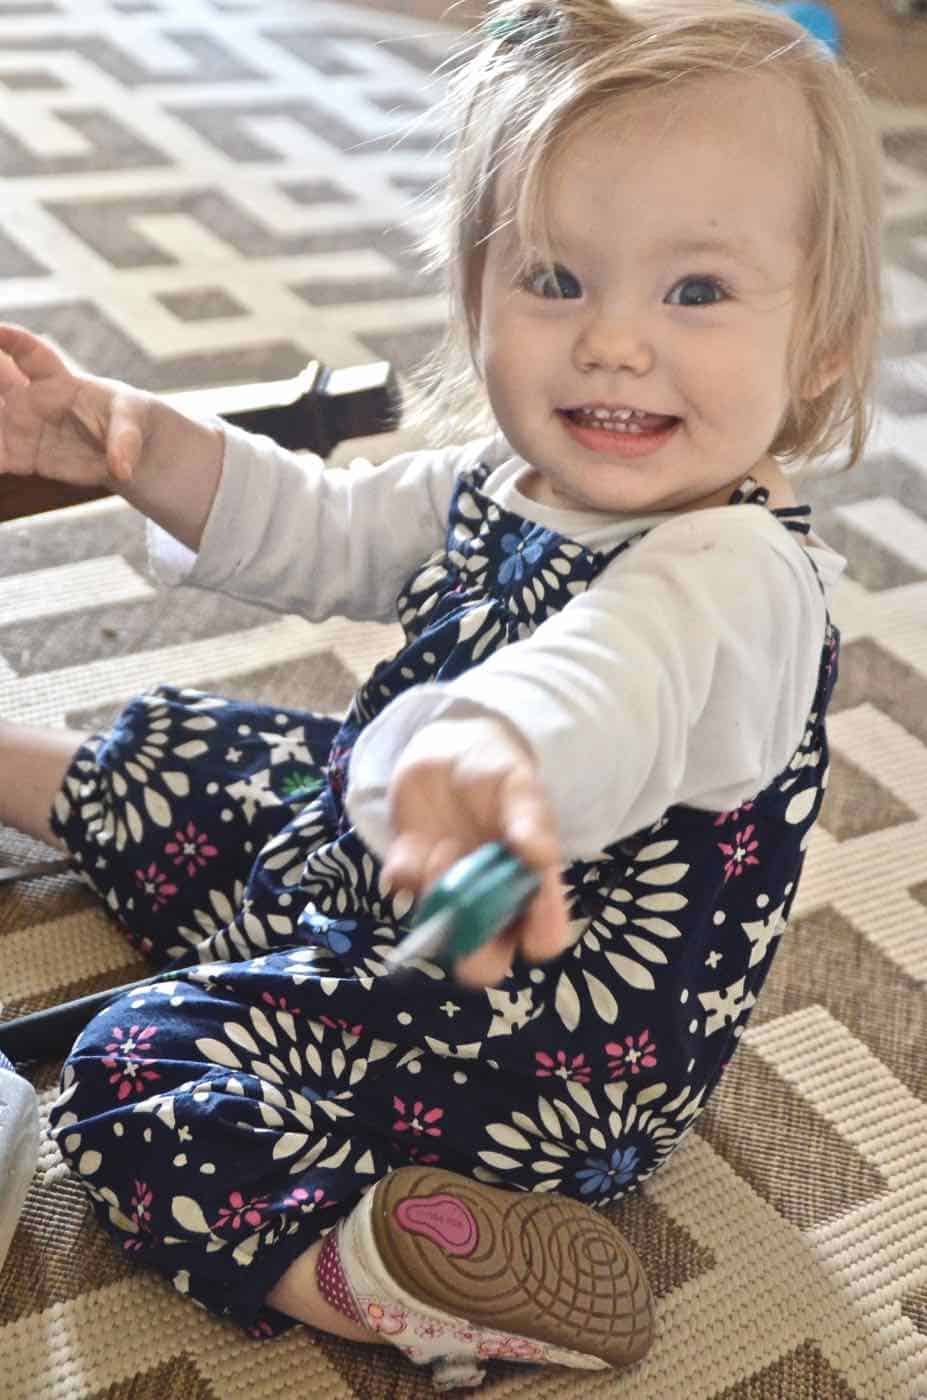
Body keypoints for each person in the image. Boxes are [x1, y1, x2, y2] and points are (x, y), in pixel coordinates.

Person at [0, 0, 881, 1389]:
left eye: (695, 292)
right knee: (197, 742)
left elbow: (610, 680)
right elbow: (325, 528)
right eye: (554, 279)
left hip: (528, 1029)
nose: (613, 343)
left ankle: (379, 1262)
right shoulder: (508, 479)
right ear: (474, 292)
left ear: (822, 345)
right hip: (389, 855)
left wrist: (488, 743)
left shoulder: (736, 582)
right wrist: (133, 441)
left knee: (137, 1068)